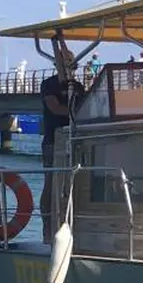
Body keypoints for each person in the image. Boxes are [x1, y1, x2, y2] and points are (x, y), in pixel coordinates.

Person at [39, 42, 85, 237]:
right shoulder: (49, 84)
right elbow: (54, 108)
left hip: (74, 139)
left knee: (75, 184)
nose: (67, 66)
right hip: (53, 139)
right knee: (50, 183)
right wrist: (75, 112)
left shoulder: (79, 87)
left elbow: (85, 107)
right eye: (63, 63)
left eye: (69, 63)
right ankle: (47, 227)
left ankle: (69, 227)